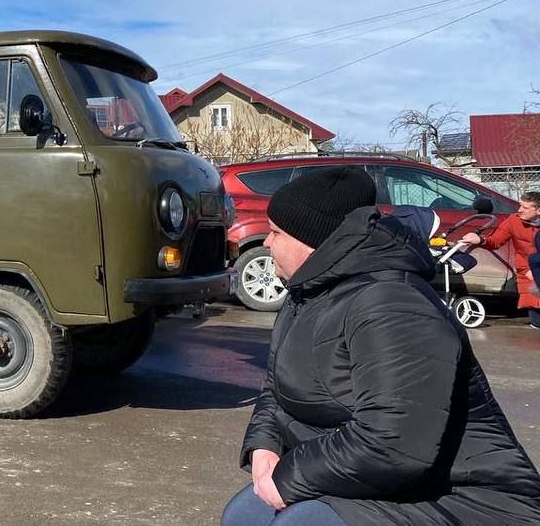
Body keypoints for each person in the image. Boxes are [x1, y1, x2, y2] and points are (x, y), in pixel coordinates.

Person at [223, 167, 540, 526]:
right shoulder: (305, 294)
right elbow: (276, 385)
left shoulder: (393, 304)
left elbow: (394, 441)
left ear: (312, 241)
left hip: (461, 495)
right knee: (244, 514)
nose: (266, 242)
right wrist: (264, 443)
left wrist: (291, 477)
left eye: (276, 233)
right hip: (375, 476)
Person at [461, 190, 540, 329]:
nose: (520, 210)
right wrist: (480, 239)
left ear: (538, 210)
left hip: (535, 270)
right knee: (536, 319)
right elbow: (496, 240)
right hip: (527, 272)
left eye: (525, 208)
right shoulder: (513, 220)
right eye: (520, 206)